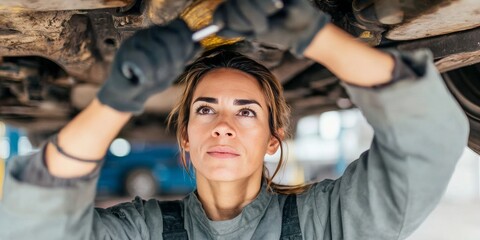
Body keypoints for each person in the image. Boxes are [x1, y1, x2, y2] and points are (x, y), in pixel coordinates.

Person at [0, 0, 469, 239]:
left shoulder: (328, 224)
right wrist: (115, 102)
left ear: (272, 139)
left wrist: (315, 36)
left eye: (246, 111)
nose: (223, 124)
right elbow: (34, 229)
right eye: (205, 109)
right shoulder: (145, 232)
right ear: (185, 136)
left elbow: (428, 140)